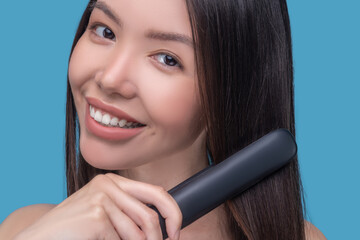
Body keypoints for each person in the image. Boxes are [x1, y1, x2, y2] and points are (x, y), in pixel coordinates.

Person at [0, 0, 326, 239]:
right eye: (105, 30)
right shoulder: (27, 229)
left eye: (167, 59)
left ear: (232, 93)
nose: (110, 78)